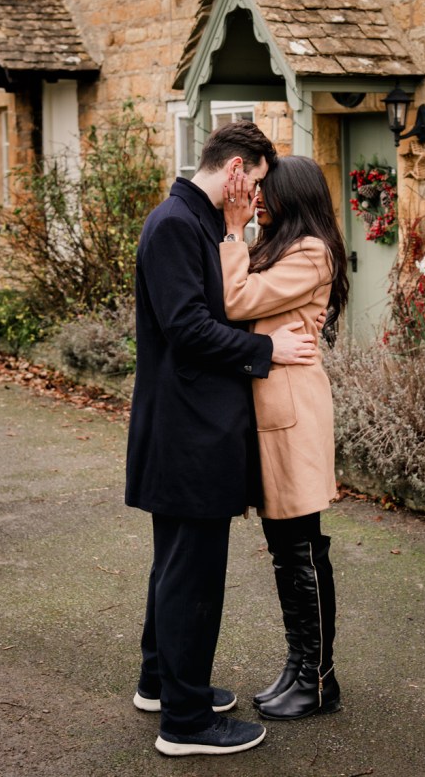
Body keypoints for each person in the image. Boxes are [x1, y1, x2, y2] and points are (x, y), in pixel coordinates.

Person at [126, 121, 318, 757]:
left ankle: (163, 683)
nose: (259, 196)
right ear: (237, 168)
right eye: (257, 181)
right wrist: (268, 348)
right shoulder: (178, 224)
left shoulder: (198, 222)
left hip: (191, 428)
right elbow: (189, 328)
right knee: (193, 575)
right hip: (188, 432)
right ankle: (185, 723)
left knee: (173, 566)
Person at [220, 155, 349, 721]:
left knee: (301, 545)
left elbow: (236, 300)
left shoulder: (310, 251)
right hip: (272, 407)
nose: (258, 197)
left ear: (293, 194)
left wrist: (231, 229)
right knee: (285, 548)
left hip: (293, 411)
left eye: (267, 191)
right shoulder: (275, 246)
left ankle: (319, 680)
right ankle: (300, 666)